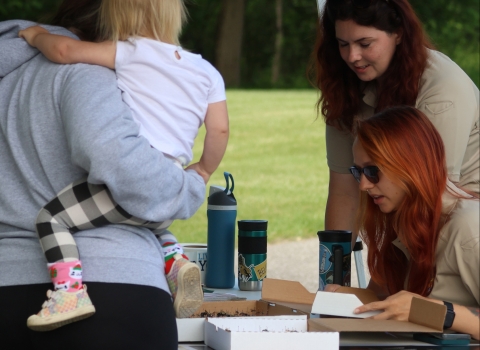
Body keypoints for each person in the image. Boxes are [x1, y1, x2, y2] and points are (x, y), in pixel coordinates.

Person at [0, 0, 207, 348]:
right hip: (111, 292)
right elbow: (119, 161)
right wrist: (189, 187)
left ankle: (172, 257)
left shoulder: (8, 81)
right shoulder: (85, 71)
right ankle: (172, 257)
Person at [311, 0, 479, 241]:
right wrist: (333, 271)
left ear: (398, 33)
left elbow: (432, 196)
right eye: (343, 44)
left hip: (462, 222)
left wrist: (387, 273)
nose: (352, 56)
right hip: (412, 214)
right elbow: (344, 192)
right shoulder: (344, 88)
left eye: (364, 43)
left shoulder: (442, 88)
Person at [327, 106, 479, 339]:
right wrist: (344, 298)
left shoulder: (468, 227)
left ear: (411, 165)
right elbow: (383, 298)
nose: (363, 186)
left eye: (372, 171)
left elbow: (416, 308)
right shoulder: (400, 215)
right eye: (358, 172)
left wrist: (435, 312)